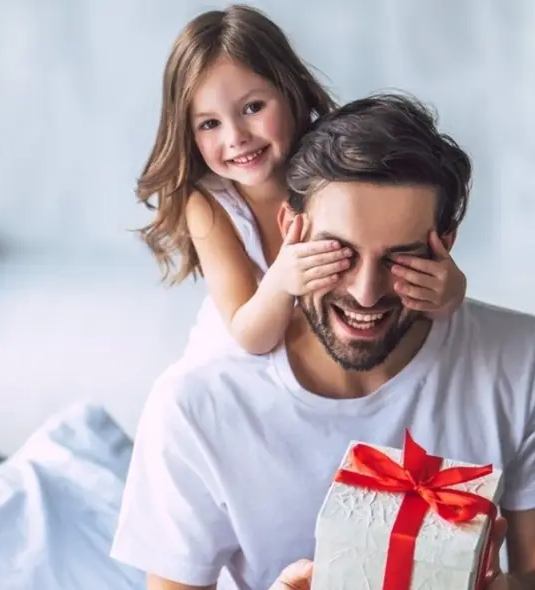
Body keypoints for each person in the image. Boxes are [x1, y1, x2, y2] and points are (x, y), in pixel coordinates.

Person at [112, 93, 535, 590]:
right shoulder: (196, 404)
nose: (366, 293)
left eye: (401, 258)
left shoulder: (521, 360)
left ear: (445, 246)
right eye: (338, 252)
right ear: (290, 230)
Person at [136, 4, 467, 366]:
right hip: (250, 360)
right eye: (209, 124)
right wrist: (281, 280)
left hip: (330, 353)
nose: (236, 137)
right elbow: (252, 337)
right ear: (188, 132)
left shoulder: (332, 167)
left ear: (290, 91)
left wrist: (450, 291)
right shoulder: (210, 204)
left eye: (253, 108)